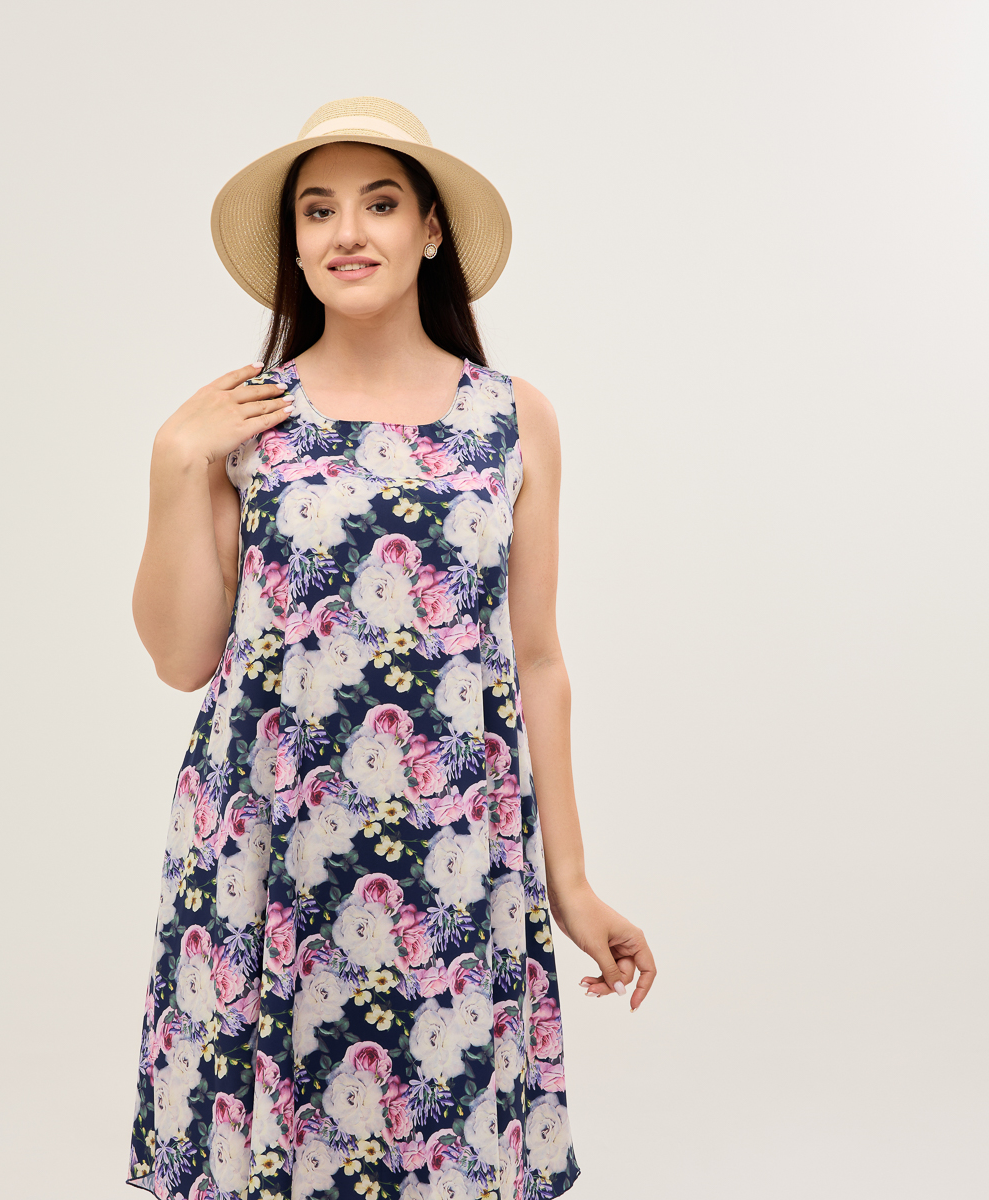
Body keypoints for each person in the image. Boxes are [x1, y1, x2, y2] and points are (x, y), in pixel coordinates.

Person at [126, 96, 655, 1200]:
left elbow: (538, 660)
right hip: (269, 837)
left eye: (378, 204)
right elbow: (181, 659)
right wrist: (175, 462)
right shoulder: (245, 417)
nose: (347, 233)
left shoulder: (512, 417)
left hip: (455, 840)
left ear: (430, 230)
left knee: (442, 1141)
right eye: (317, 211)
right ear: (294, 246)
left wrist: (570, 883)